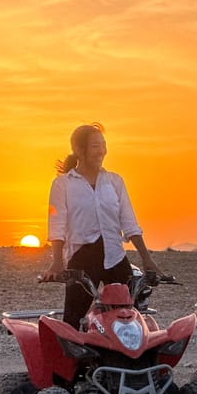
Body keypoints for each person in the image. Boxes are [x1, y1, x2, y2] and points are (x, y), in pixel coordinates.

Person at [41, 123, 161, 329]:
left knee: (129, 316)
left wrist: (147, 260)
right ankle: (76, 360)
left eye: (103, 145)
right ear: (79, 150)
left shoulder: (114, 181)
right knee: (73, 319)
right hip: (82, 259)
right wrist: (57, 262)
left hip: (115, 255)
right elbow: (57, 225)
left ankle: (129, 360)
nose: (102, 151)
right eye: (95, 146)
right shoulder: (63, 184)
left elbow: (130, 223)